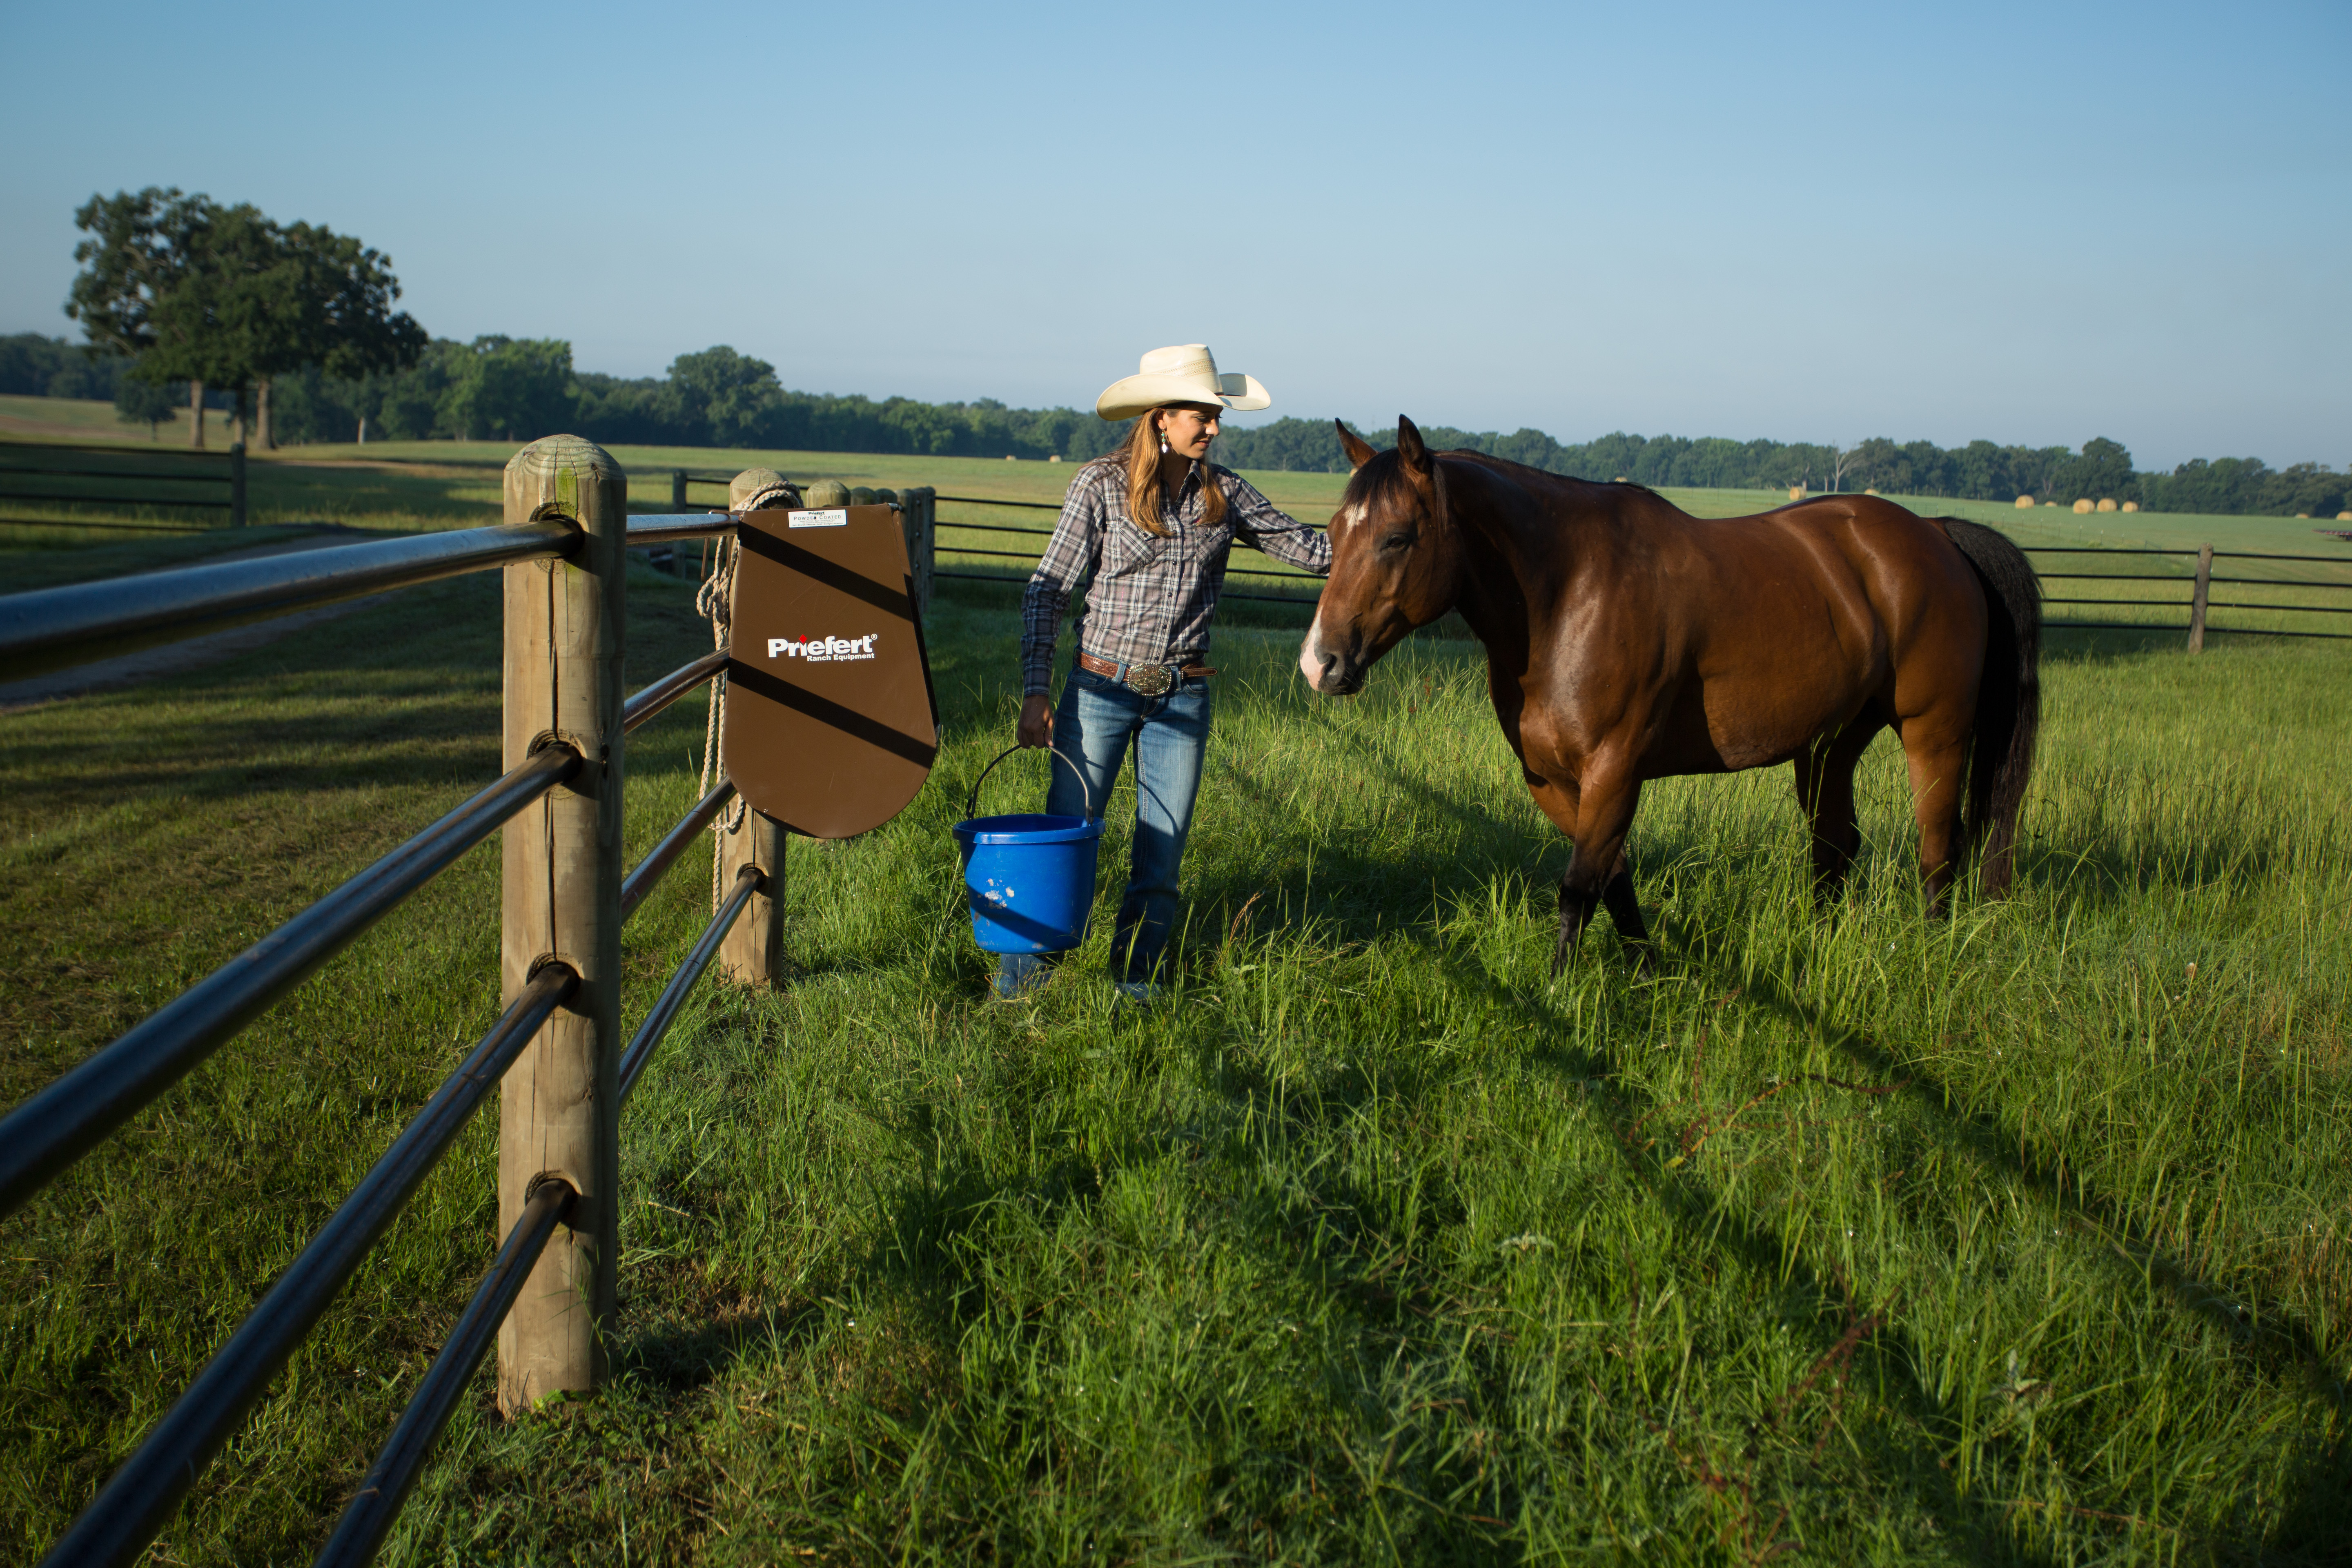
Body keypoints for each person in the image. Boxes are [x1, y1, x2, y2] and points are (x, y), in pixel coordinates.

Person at [998, 344, 1332, 1004]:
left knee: (1163, 853)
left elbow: (1314, 551)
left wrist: (1386, 518)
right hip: (1099, 690)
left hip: (1182, 697)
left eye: (1216, 415)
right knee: (1070, 838)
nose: (1213, 426)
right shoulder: (1100, 484)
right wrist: (1036, 691)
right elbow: (1048, 590)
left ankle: (1136, 980)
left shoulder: (1225, 493)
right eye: (1200, 414)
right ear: (1160, 418)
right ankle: (1028, 982)